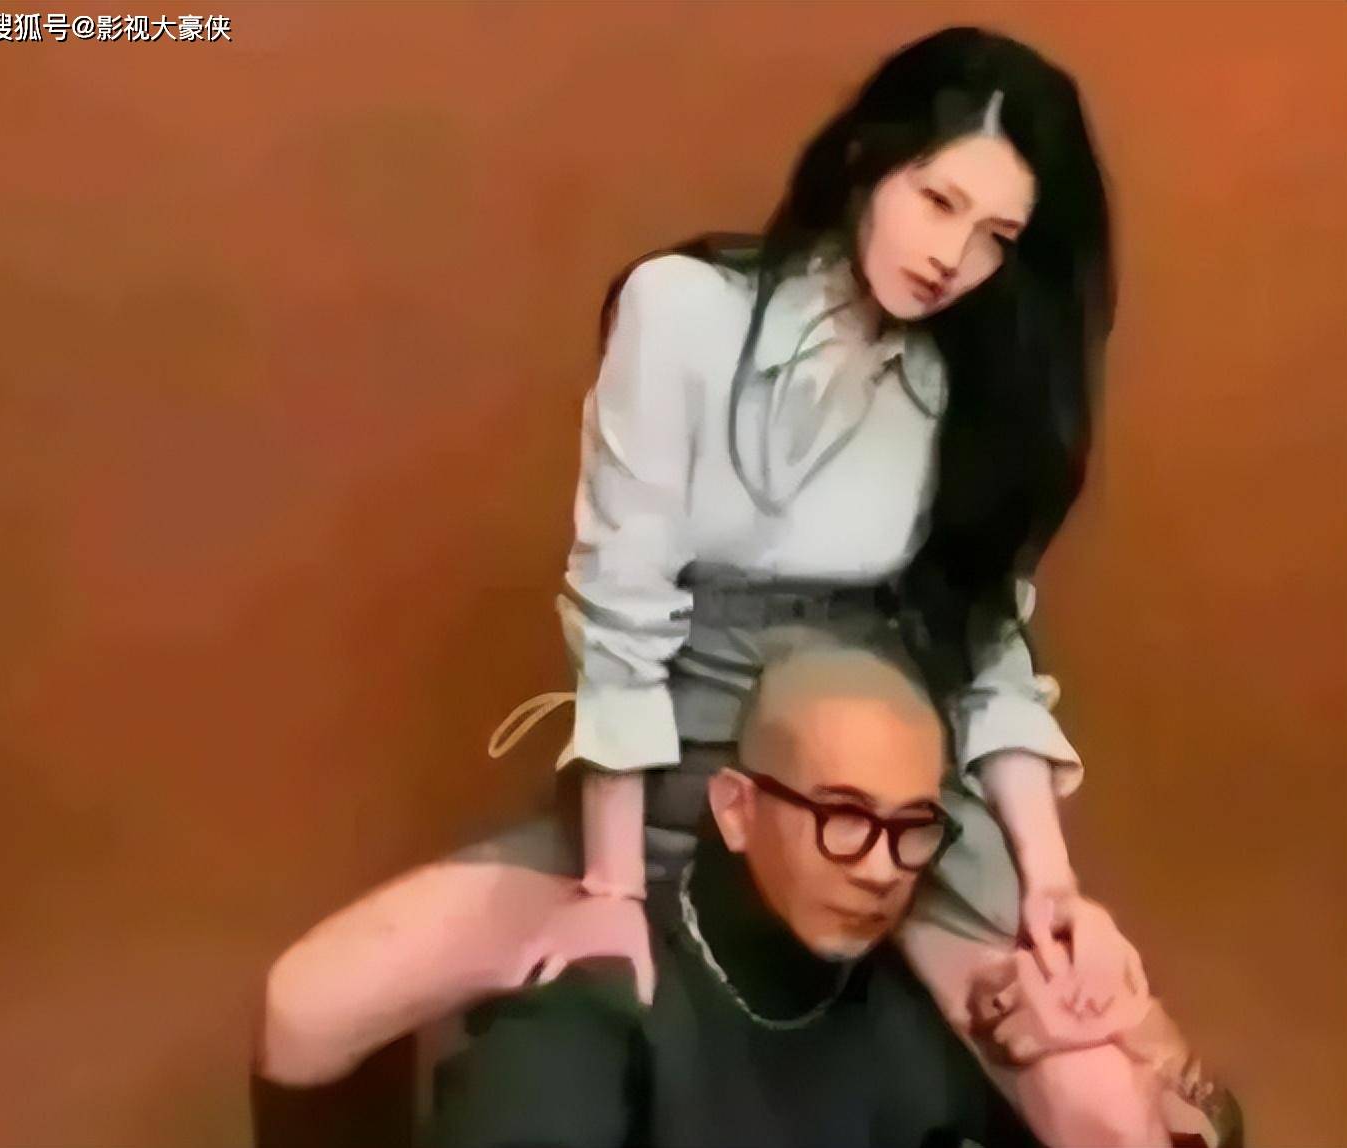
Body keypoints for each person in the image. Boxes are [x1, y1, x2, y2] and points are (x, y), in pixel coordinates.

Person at [253, 25, 1231, 1148]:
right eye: (937, 200)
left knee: (1107, 1115)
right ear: (868, 158)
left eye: (996, 237)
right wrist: (613, 887)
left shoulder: (974, 384)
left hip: (886, 808)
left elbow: (988, 657)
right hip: (677, 775)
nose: (951, 256)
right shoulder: (682, 311)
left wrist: (1050, 884)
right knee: (308, 1005)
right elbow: (620, 612)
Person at [428, 640, 1041, 1148]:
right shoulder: (592, 1010)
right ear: (736, 809)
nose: (882, 870)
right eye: (844, 816)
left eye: (914, 826)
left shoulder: (920, 1020)